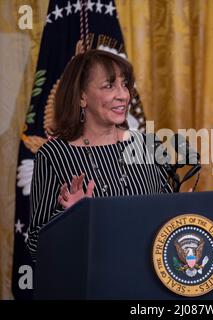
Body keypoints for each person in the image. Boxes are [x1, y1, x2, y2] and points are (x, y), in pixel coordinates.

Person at [26, 49, 172, 261]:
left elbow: (170, 217)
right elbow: (37, 245)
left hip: (149, 279)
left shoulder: (148, 145)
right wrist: (74, 217)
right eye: (109, 86)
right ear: (82, 97)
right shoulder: (54, 154)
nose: (123, 95)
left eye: (125, 84)